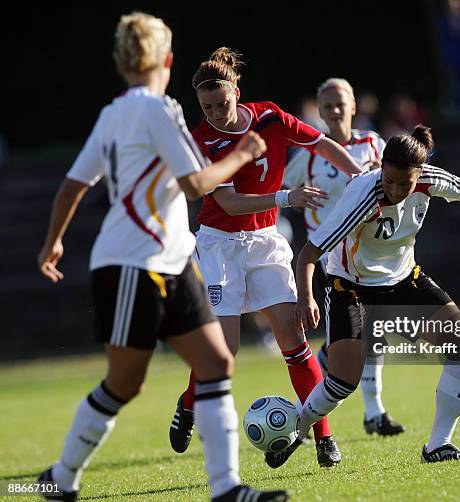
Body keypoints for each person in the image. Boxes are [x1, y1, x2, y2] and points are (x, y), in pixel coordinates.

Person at [35, 13, 287, 502]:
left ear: (121, 63)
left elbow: (72, 186)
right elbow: (196, 185)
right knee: (124, 383)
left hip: (171, 262)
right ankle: (59, 479)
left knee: (216, 361)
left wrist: (53, 241)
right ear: (167, 61)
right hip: (134, 262)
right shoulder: (159, 110)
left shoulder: (112, 114)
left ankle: (227, 489)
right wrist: (242, 153)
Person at [269, 125, 460, 468]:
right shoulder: (363, 195)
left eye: (404, 183)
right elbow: (309, 253)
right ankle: (295, 429)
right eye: (389, 180)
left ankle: (439, 444)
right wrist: (306, 298)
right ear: (381, 168)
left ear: (418, 175)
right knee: (344, 380)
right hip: (350, 286)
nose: (396, 189)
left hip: (404, 280)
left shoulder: (432, 180)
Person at [168, 48, 363, 469]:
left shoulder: (270, 117)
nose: (216, 112)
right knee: (226, 351)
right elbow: (231, 203)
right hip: (220, 245)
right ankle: (188, 406)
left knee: (294, 342)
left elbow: (323, 144)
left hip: (265, 241)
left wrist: (361, 178)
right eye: (207, 107)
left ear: (237, 92)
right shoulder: (200, 142)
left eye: (222, 102)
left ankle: (324, 438)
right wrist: (285, 197)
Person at [284, 78, 404, 436]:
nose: (335, 111)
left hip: (372, 251)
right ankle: (371, 412)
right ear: (319, 112)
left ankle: (365, 411)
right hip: (331, 257)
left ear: (354, 106)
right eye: (327, 106)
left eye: (341, 104)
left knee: (364, 335)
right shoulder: (307, 155)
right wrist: (292, 197)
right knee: (364, 334)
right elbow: (280, 188)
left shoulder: (374, 144)